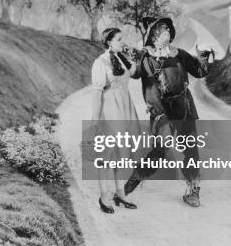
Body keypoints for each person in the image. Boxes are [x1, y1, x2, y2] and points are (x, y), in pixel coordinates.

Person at [123, 17, 213, 207]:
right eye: (164, 30)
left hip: (184, 108)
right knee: (160, 150)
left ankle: (193, 191)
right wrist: (131, 56)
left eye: (169, 31)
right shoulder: (146, 57)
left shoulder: (178, 54)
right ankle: (130, 185)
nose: (168, 33)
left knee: (191, 149)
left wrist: (203, 55)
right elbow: (139, 78)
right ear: (154, 35)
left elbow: (199, 71)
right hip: (161, 111)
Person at [90, 27, 140, 213]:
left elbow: (134, 72)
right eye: (119, 39)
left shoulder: (121, 58)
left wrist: (129, 55)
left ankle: (120, 192)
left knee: (121, 154)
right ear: (109, 42)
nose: (122, 42)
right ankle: (104, 196)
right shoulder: (100, 62)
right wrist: (95, 120)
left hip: (125, 107)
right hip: (110, 110)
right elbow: (96, 94)